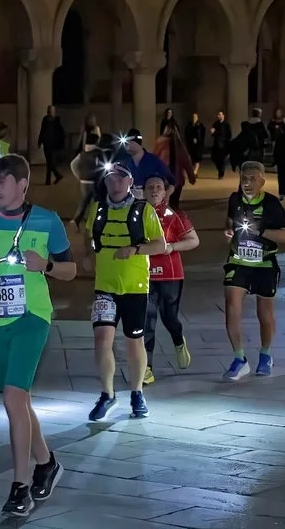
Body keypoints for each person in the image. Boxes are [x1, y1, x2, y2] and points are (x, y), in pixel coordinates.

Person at [0, 153, 75, 517]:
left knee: (13, 398)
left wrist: (48, 266)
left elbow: (71, 270)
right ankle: (46, 463)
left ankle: (20, 486)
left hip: (33, 316)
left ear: (22, 184)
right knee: (19, 399)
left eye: (1, 182)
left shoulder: (47, 220)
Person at [83, 163, 166, 421]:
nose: (114, 183)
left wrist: (135, 249)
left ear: (130, 181)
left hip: (135, 287)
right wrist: (87, 256)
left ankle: (137, 392)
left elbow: (160, 245)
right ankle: (107, 394)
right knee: (102, 340)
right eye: (110, 179)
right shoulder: (97, 209)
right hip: (104, 287)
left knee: (134, 342)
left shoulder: (144, 210)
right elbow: (88, 236)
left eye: (120, 178)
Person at [223, 161, 285, 380]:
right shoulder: (234, 200)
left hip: (264, 264)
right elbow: (229, 222)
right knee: (232, 305)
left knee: (265, 313)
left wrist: (262, 231)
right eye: (244, 178)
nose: (247, 183)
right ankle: (239, 358)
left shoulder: (271, 204)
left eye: (252, 178)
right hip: (238, 261)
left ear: (262, 180)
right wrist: (229, 232)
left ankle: (265, 354)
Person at [142, 174, 197, 384]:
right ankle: (147, 367)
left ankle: (178, 340)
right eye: (150, 187)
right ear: (143, 191)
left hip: (170, 275)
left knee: (169, 317)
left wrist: (172, 247)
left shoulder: (174, 215)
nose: (154, 191)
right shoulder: (136, 213)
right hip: (144, 275)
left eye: (158, 187)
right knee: (147, 320)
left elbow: (193, 240)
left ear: (165, 192)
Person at [108, 130, 175, 201]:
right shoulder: (123, 162)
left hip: (150, 203)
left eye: (127, 143)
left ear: (136, 143)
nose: (126, 146)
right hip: (129, 203)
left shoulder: (153, 161)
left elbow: (172, 181)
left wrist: (166, 195)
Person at [152, 123, 196, 209]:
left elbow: (154, 159)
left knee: (164, 202)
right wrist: (191, 178)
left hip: (166, 179)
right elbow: (187, 162)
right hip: (175, 179)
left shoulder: (162, 143)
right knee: (173, 204)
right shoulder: (178, 145)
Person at [70, 132, 104, 229]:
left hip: (83, 182)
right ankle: (95, 222)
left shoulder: (82, 153)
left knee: (84, 202)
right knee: (97, 202)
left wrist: (79, 176)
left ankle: (76, 220)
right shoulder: (98, 153)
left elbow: (73, 164)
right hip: (94, 182)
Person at [37, 106, 66, 186]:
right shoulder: (45, 119)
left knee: (49, 162)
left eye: (51, 110)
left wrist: (60, 142)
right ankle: (55, 177)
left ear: (54, 111)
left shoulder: (57, 120)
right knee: (49, 162)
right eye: (49, 110)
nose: (49, 112)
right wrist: (39, 141)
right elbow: (42, 130)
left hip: (53, 144)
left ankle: (51, 179)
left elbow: (60, 132)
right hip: (46, 143)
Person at [210, 111, 232, 179]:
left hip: (223, 146)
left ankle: (221, 173)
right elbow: (213, 134)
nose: (218, 116)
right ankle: (220, 170)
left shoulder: (227, 124)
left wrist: (227, 143)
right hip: (216, 145)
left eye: (219, 115)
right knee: (214, 158)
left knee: (222, 160)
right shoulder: (215, 124)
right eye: (218, 115)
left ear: (223, 115)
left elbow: (229, 135)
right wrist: (212, 132)